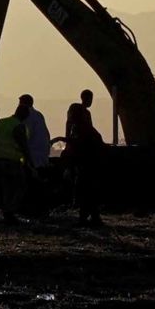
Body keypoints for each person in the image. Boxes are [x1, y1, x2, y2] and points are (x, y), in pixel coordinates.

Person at [0, 101, 33, 224]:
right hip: (12, 161)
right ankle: (10, 211)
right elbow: (23, 145)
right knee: (19, 186)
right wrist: (29, 161)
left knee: (7, 187)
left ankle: (7, 211)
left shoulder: (2, 122)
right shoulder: (18, 126)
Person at [64, 89, 105, 226]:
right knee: (87, 186)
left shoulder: (84, 115)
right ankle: (88, 215)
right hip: (84, 157)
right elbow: (72, 128)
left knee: (87, 186)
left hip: (85, 155)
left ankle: (90, 215)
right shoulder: (78, 112)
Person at [18, 95, 51, 171]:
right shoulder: (38, 115)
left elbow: (26, 135)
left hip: (33, 153)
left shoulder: (26, 115)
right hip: (42, 153)